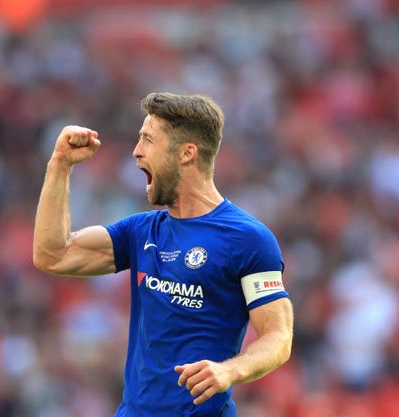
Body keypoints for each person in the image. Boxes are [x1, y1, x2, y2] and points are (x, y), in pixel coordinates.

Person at [33, 92, 294, 417]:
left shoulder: (248, 239)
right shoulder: (141, 231)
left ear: (186, 153)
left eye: (147, 140)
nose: (136, 151)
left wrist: (230, 371)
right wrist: (59, 164)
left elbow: (279, 337)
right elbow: (53, 255)